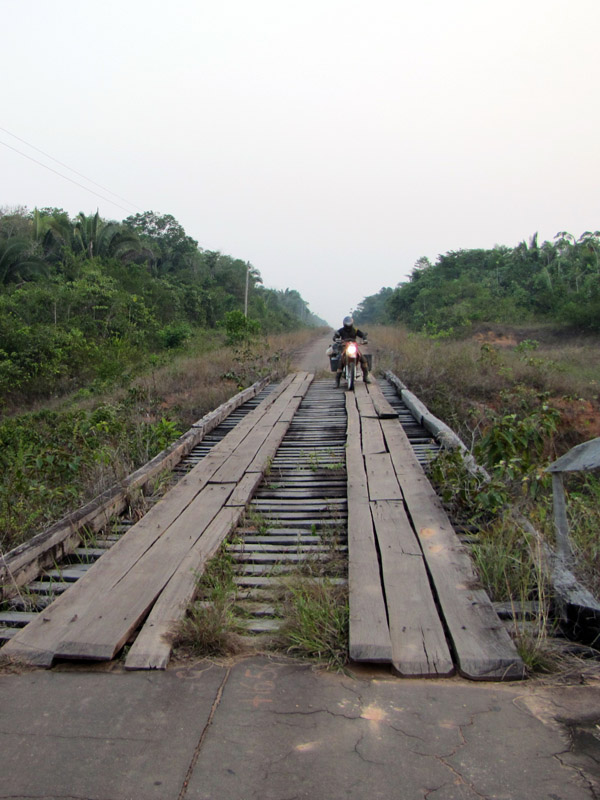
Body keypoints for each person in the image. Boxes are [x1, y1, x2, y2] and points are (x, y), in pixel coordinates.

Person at [333, 316, 370, 387]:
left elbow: (362, 335)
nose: (348, 325)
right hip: (345, 346)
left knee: (363, 359)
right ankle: (337, 381)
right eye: (347, 323)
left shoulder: (355, 330)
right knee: (340, 361)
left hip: (354, 346)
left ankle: (365, 377)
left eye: (349, 323)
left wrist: (364, 339)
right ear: (344, 323)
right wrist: (336, 338)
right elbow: (335, 336)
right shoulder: (341, 330)